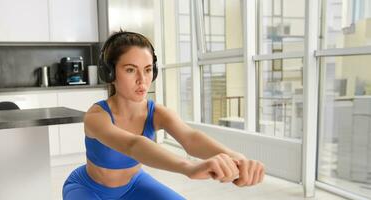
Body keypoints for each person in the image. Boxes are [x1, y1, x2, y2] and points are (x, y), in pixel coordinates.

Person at [62, 31, 265, 199]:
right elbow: (134, 145)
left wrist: (236, 158)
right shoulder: (96, 116)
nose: (142, 79)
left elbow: (191, 138)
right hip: (88, 189)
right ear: (110, 74)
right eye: (131, 70)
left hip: (134, 185)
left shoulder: (156, 112)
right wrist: (189, 168)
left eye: (148, 69)